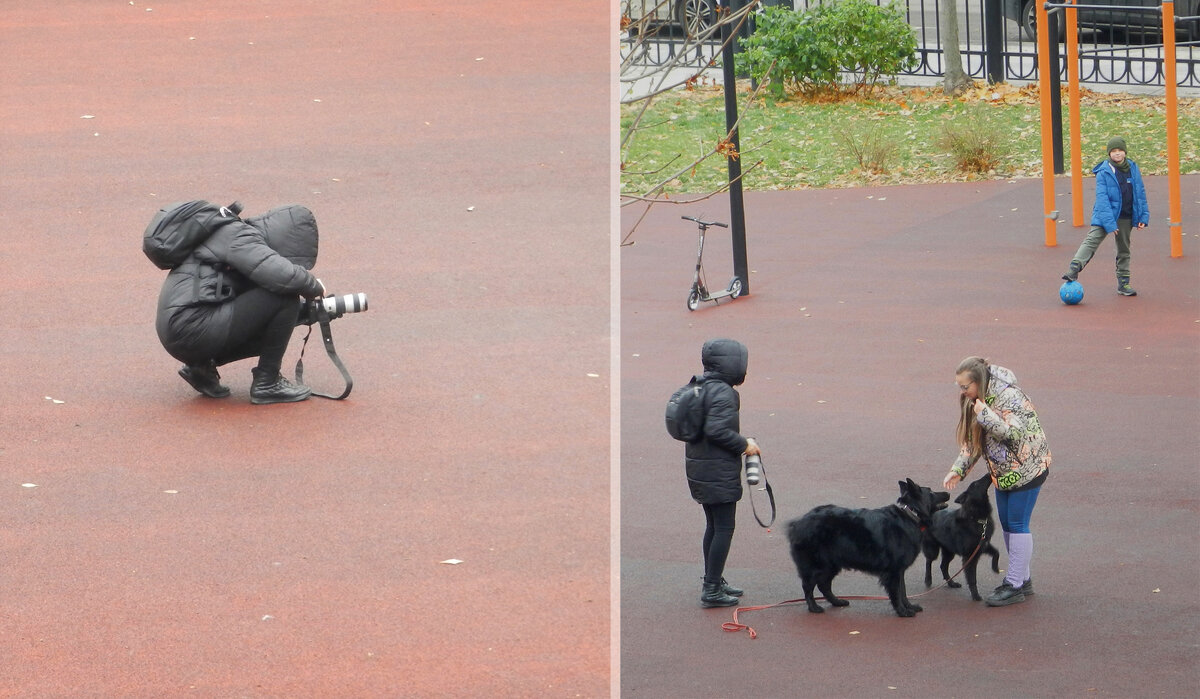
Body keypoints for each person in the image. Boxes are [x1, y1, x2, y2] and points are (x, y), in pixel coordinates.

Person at [155, 208, 326, 405]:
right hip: (193, 327)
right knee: (286, 297)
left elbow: (257, 312)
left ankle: (200, 366)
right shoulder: (239, 235)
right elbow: (282, 275)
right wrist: (314, 287)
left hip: (180, 330)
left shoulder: (227, 238)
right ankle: (267, 383)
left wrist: (307, 313)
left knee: (278, 307)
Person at [943, 356, 1050, 607]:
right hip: (1002, 473)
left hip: (1028, 467)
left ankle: (1014, 585)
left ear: (978, 381)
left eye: (964, 386)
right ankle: (1022, 580)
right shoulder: (977, 400)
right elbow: (973, 441)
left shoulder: (1009, 398)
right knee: (1007, 524)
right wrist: (958, 469)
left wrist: (986, 415)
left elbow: (1013, 435)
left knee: (1017, 523)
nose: (962, 392)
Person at [684, 338, 761, 608]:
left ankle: (714, 579)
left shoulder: (699, 387)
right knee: (724, 527)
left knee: (713, 526)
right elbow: (716, 431)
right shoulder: (724, 393)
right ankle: (712, 588)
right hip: (717, 470)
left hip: (700, 467)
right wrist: (745, 445)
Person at [1062, 137, 1149, 297]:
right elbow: (1102, 199)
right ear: (1109, 153)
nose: (1117, 154)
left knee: (1124, 249)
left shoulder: (1133, 168)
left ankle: (1123, 283)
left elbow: (1140, 193)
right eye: (1114, 151)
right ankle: (1073, 269)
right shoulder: (1104, 171)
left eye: (1120, 150)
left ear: (1125, 151)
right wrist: (1110, 224)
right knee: (1092, 240)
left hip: (1125, 215)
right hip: (1105, 215)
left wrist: (1142, 216)